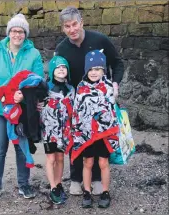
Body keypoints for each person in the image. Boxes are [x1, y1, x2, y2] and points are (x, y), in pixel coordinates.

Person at [55, 6, 124, 196]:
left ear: (81, 22)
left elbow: (117, 63)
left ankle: (97, 179)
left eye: (75, 24)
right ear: (63, 29)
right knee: (77, 138)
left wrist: (115, 85)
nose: (72, 29)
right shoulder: (61, 48)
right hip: (77, 103)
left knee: (100, 138)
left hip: (102, 100)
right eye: (67, 26)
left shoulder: (99, 39)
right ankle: (76, 179)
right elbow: (58, 74)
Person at [0, 13, 44, 203]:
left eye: (21, 31)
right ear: (9, 32)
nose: (17, 34)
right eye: (14, 30)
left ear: (26, 34)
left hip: (22, 111)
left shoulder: (33, 55)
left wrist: (25, 96)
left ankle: (24, 184)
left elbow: (39, 84)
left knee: (20, 148)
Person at [71, 50, 120, 208]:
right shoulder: (80, 87)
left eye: (97, 69)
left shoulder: (108, 87)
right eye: (91, 69)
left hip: (104, 133)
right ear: (86, 70)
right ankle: (87, 191)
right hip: (86, 133)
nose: (94, 72)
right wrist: (77, 131)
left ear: (103, 70)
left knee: (104, 162)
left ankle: (105, 192)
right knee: (88, 162)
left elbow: (112, 112)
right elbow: (77, 111)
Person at [40, 56, 75, 204]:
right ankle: (53, 187)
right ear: (52, 70)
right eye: (58, 67)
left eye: (64, 67)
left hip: (64, 131)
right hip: (49, 131)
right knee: (51, 158)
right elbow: (32, 101)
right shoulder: (44, 88)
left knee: (60, 158)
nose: (61, 69)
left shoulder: (71, 89)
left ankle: (59, 183)